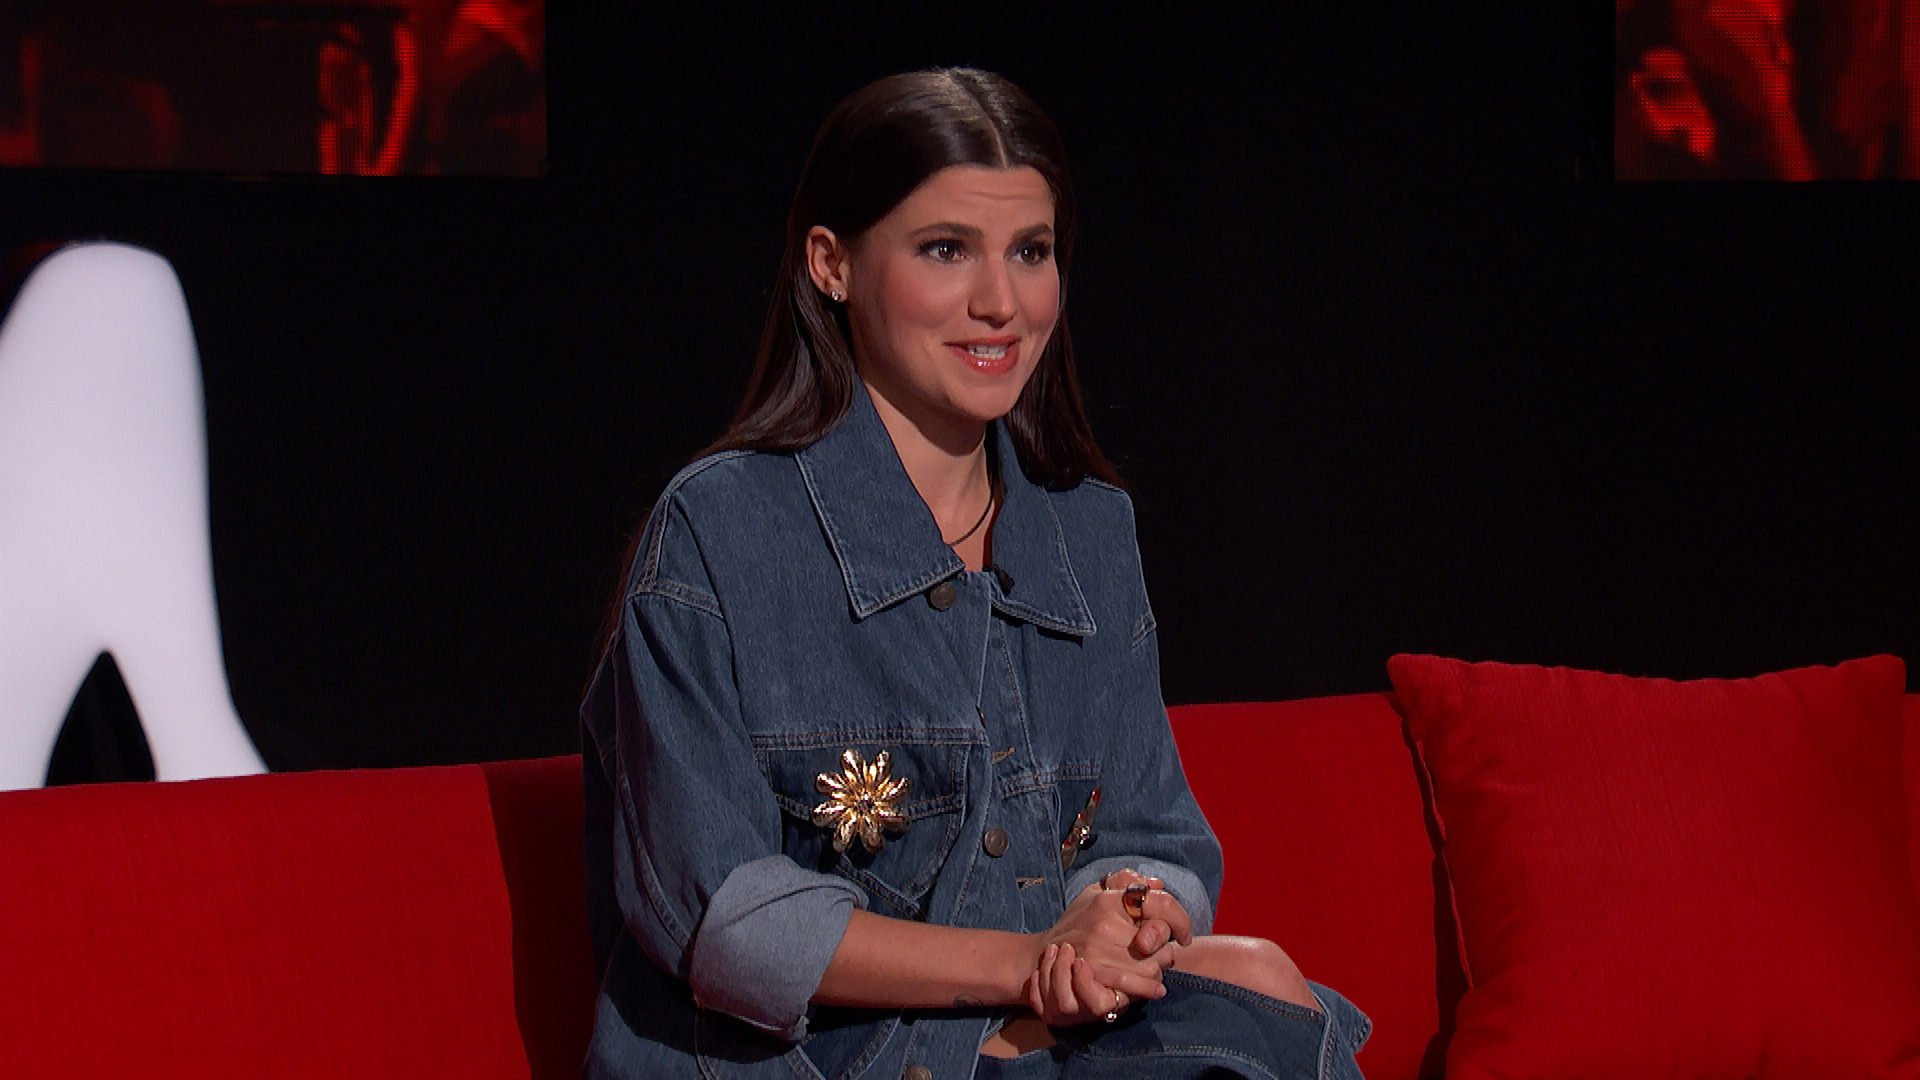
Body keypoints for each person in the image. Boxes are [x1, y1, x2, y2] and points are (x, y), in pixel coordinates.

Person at [579, 68, 1370, 1079]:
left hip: (1025, 1035)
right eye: (946, 250)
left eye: (1031, 252)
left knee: (1257, 977)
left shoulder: (1089, 528)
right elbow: (728, 923)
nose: (1001, 303)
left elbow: (1153, 835)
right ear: (831, 263)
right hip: (812, 1059)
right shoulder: (717, 531)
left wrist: (1125, 916)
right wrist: (1030, 961)